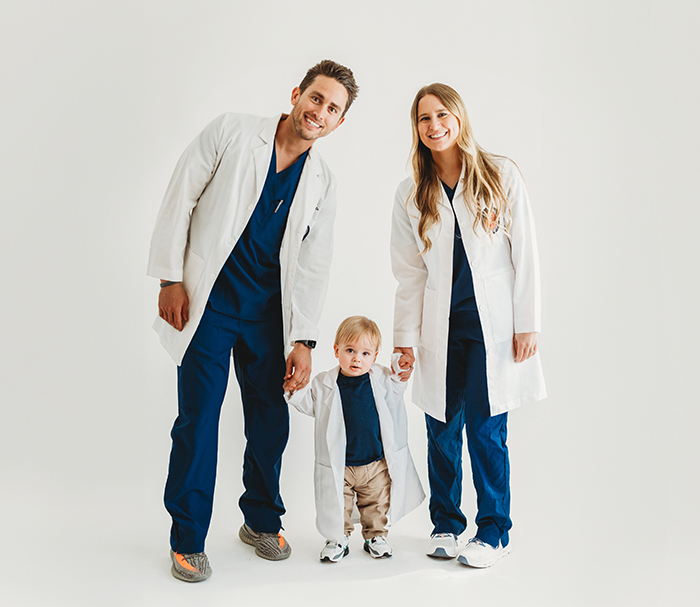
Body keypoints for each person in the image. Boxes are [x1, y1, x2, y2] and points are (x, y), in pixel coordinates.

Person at [147, 60, 359, 582]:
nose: (320, 112)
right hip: (211, 303)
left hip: (268, 316)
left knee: (270, 418)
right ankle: (188, 538)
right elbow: (182, 195)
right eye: (316, 98)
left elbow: (314, 263)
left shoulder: (323, 182)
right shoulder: (232, 131)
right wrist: (169, 277)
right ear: (296, 94)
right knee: (199, 418)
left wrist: (305, 340)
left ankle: (260, 519)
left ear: (339, 122)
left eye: (333, 108)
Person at [391, 83, 546, 569]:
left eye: (441, 115)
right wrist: (405, 341)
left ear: (459, 117)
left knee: (484, 429)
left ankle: (494, 530)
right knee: (440, 426)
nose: (434, 126)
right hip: (442, 327)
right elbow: (409, 273)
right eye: (423, 119)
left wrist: (528, 323)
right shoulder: (411, 194)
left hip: (491, 326)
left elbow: (526, 253)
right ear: (415, 130)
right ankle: (446, 524)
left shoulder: (500, 175)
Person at [286, 316, 424, 563]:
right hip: (341, 465)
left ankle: (376, 536)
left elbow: (398, 384)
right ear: (337, 350)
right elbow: (309, 405)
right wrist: (294, 390)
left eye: (365, 353)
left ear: (375, 356)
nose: (356, 358)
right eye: (350, 351)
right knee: (338, 505)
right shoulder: (324, 383)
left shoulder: (382, 378)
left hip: (374, 463)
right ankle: (338, 538)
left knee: (377, 504)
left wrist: (401, 365)